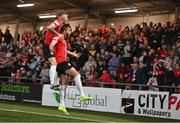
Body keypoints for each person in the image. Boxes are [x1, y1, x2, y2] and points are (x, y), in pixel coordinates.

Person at [49, 24, 93, 115]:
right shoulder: (59, 36)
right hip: (62, 62)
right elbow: (52, 44)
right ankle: (82, 95)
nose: (70, 32)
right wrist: (51, 48)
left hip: (61, 63)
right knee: (77, 75)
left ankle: (61, 105)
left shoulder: (63, 40)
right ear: (65, 30)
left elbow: (63, 50)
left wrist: (72, 54)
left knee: (63, 85)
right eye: (69, 30)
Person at [43, 13, 69, 89]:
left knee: (57, 64)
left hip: (54, 47)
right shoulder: (58, 21)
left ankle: (56, 83)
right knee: (54, 63)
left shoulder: (61, 25)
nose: (67, 17)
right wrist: (58, 34)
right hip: (48, 46)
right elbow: (50, 27)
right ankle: (52, 83)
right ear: (61, 17)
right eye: (66, 16)